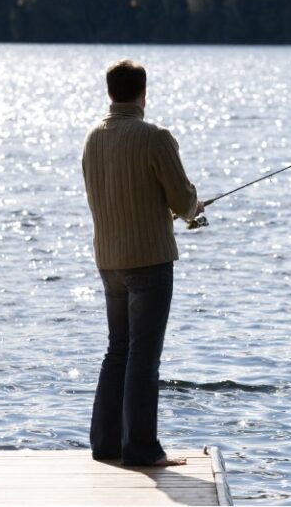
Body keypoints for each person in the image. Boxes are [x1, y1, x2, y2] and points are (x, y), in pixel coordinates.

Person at [82, 59, 203, 466]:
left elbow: (114, 196)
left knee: (118, 349)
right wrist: (191, 209)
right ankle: (141, 449)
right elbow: (183, 200)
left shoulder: (93, 138)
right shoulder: (155, 137)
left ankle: (106, 444)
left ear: (110, 92)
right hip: (149, 261)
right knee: (144, 355)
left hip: (109, 260)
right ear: (143, 93)